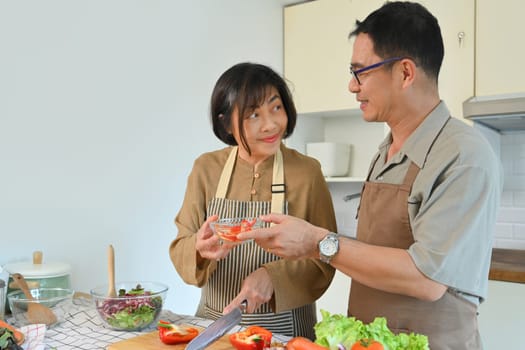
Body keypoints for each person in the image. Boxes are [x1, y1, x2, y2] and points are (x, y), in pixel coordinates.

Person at [239, 2, 503, 349]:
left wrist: (318, 242)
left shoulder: (463, 155)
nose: (352, 85)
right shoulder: (386, 150)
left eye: (360, 71)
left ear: (405, 73)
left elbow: (427, 278)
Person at [169, 62, 337, 339]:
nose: (270, 124)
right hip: (216, 327)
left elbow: (325, 257)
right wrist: (199, 249)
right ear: (226, 122)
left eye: (276, 107)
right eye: (253, 115)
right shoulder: (206, 169)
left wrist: (273, 277)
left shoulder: (307, 172)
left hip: (287, 333)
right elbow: (180, 246)